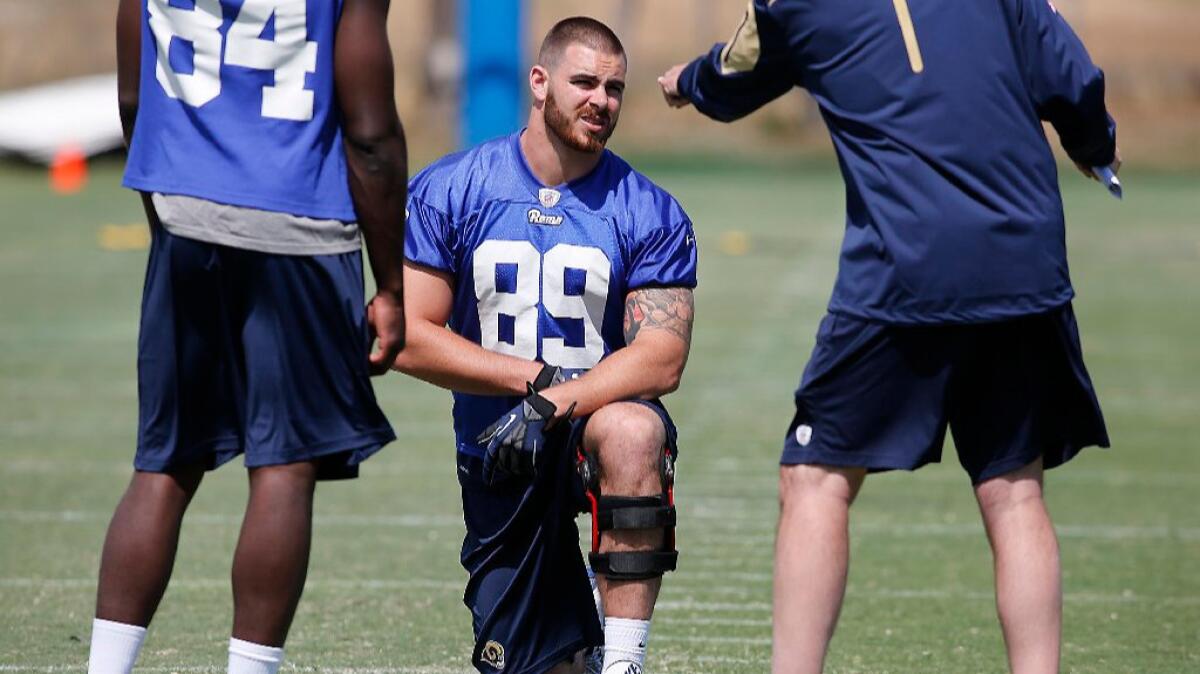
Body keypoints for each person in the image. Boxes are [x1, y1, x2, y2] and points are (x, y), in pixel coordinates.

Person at [658, 1, 1118, 672]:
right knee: (1014, 488)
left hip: (907, 266)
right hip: (1024, 260)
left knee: (815, 478)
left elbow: (736, 77)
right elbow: (1070, 79)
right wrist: (1097, 148)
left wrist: (688, 83)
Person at [88, 1, 406, 673]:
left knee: (164, 463)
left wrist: (167, 202)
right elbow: (371, 134)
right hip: (299, 222)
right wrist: (391, 285)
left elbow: (131, 92)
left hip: (184, 211)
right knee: (285, 466)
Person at [392, 17, 697, 674]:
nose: (601, 101)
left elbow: (662, 357)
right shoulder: (454, 189)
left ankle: (623, 663)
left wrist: (556, 402)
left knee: (633, 432)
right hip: (498, 450)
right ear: (539, 82)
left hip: (589, 422)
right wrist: (532, 382)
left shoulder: (646, 208)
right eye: (584, 82)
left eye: (614, 88)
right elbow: (409, 337)